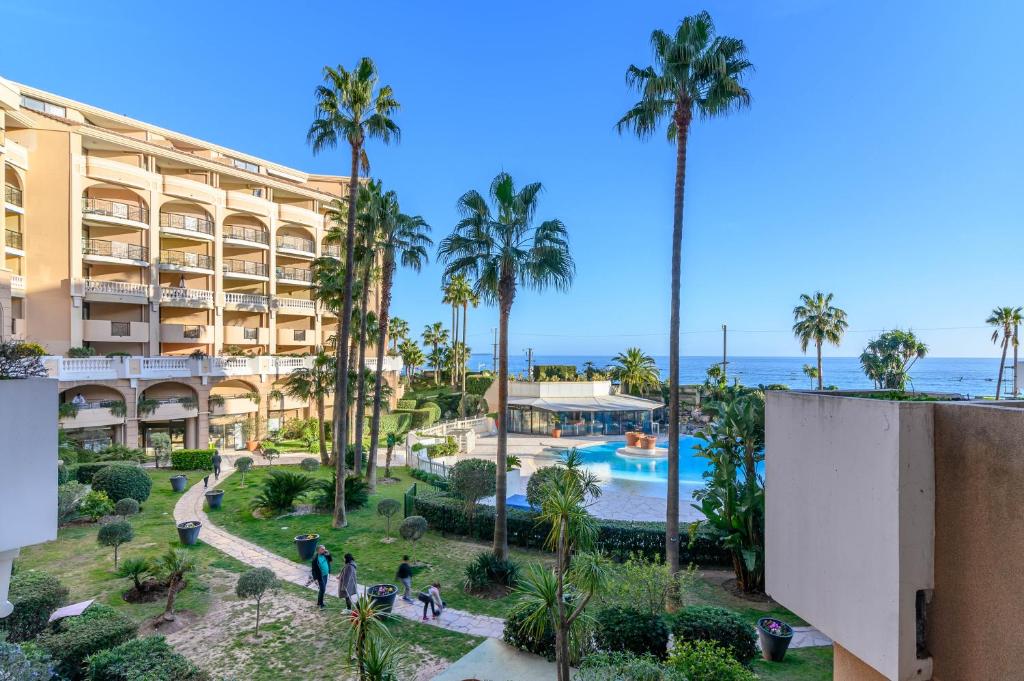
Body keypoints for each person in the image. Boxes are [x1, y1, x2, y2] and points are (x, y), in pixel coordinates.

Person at [311, 545, 332, 609]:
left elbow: (330, 560)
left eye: (324, 549)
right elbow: (313, 570)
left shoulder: (325, 554)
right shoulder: (315, 559)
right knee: (323, 589)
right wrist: (315, 579)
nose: (324, 550)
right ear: (318, 551)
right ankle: (321, 604)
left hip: (326, 575)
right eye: (322, 549)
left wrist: (329, 554)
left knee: (322, 589)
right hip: (320, 576)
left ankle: (319, 602)